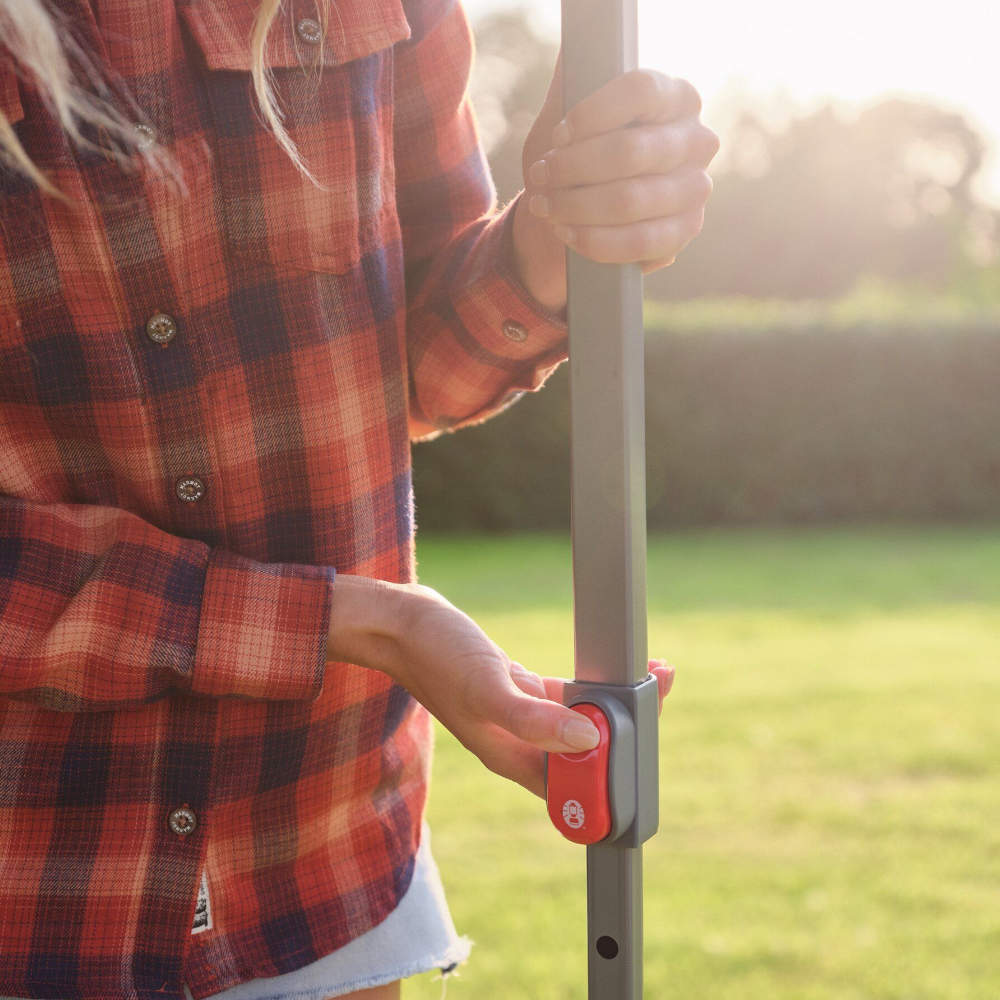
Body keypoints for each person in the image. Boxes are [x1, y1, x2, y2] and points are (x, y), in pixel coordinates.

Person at [0, 1, 718, 999]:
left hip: (318, 866)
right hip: (34, 886)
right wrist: (353, 624)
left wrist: (549, 247)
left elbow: (397, 357)